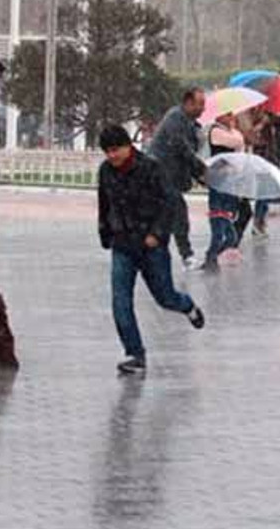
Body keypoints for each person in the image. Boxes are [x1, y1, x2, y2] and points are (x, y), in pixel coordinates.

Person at [97, 125, 205, 375]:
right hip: (122, 244)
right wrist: (105, 233)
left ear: (128, 146)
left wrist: (157, 234)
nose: (112, 156)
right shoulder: (105, 172)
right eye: (107, 152)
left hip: (150, 245)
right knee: (120, 301)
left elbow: (169, 203)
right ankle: (135, 353)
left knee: (164, 296)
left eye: (115, 150)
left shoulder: (150, 167)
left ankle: (187, 306)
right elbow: (104, 203)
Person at [147, 87, 208, 270]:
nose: (203, 109)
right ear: (188, 103)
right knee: (178, 212)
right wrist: (200, 169)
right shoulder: (175, 118)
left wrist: (199, 174)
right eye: (200, 104)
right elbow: (182, 149)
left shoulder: (189, 123)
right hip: (160, 174)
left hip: (170, 176)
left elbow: (190, 150)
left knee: (163, 216)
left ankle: (149, 253)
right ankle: (187, 257)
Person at [201, 114, 247, 273]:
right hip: (217, 181)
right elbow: (238, 142)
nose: (231, 117)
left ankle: (212, 258)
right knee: (219, 230)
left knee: (231, 236)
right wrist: (236, 135)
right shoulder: (215, 131)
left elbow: (241, 147)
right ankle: (210, 258)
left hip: (229, 183)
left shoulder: (229, 131)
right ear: (219, 116)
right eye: (227, 114)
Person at [239, 107, 280, 238]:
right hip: (255, 158)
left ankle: (260, 221)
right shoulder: (246, 115)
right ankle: (255, 221)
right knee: (257, 192)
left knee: (265, 191)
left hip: (270, 157)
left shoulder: (272, 115)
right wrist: (262, 124)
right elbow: (248, 136)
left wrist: (278, 119)